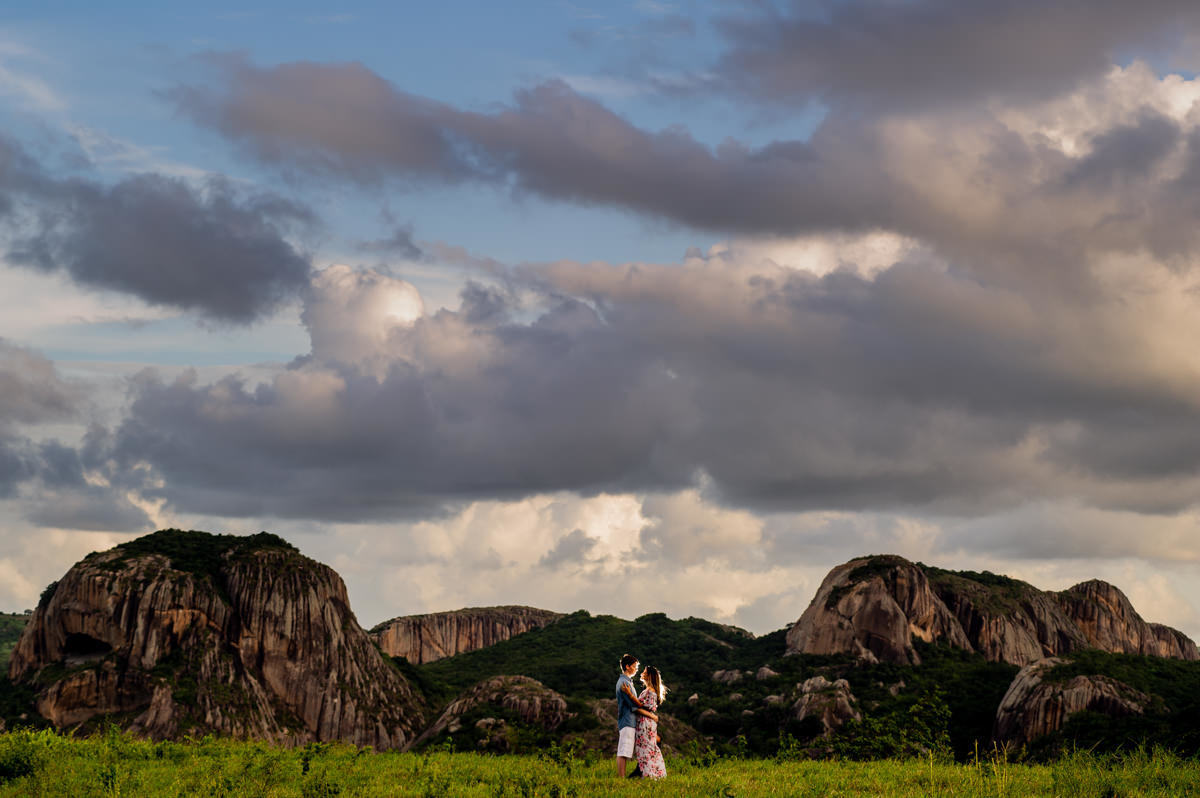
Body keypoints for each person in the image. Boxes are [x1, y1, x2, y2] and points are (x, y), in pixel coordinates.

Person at [615, 654, 657, 778]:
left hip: (630, 721)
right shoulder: (624, 683)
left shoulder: (627, 682)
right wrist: (652, 716)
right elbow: (635, 707)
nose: (636, 669)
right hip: (627, 720)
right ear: (627, 667)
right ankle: (621, 778)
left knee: (626, 750)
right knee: (623, 750)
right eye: (634, 666)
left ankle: (625, 776)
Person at [633, 665, 668, 779]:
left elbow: (646, 709)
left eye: (644, 671)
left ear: (649, 676)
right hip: (646, 723)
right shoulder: (648, 690)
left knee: (647, 748)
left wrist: (633, 707)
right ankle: (651, 773)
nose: (642, 673)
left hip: (645, 723)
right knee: (647, 747)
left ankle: (651, 774)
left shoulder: (650, 692)